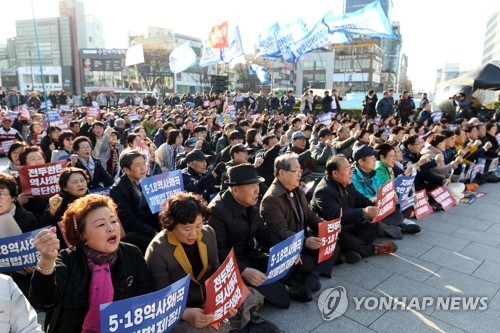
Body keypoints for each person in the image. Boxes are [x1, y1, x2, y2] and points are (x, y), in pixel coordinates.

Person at [146, 192, 278, 332]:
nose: (194, 234)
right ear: (171, 225)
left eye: (198, 226)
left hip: (209, 298)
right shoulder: (157, 250)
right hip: (182, 306)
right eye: (187, 229)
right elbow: (161, 299)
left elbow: (216, 272)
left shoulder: (208, 233)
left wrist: (226, 299)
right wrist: (186, 313)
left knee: (246, 294)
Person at [30, 194, 153, 332]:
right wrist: (47, 260)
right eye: (101, 224)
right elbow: (43, 302)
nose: (111, 228)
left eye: (113, 221)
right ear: (82, 235)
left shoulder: (132, 253)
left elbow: (147, 298)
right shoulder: (68, 259)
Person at [209, 164, 302, 308]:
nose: (257, 190)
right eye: (252, 186)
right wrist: (243, 270)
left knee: (289, 262)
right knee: (268, 288)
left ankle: (278, 284)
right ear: (235, 190)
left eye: (257, 185)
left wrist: (285, 250)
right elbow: (217, 250)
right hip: (230, 265)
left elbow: (263, 232)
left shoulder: (251, 202)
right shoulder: (216, 211)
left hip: (250, 255)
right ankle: (283, 289)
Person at [260, 154, 336, 290]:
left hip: (303, 239)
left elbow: (309, 214)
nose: (300, 174)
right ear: (282, 173)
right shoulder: (271, 199)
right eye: (296, 171)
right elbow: (280, 232)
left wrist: (325, 226)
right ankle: (312, 272)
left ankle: (312, 275)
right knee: (306, 262)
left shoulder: (297, 189)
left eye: (300, 170)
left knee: (333, 243)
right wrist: (305, 241)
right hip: (288, 246)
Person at [311, 156, 398, 263]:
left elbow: (362, 200)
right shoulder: (323, 191)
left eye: (350, 168)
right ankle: (372, 249)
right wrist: (363, 212)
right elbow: (335, 215)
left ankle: (352, 251)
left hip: (350, 224)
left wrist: (383, 199)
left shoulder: (347, 182)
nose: (351, 172)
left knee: (375, 226)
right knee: (346, 240)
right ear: (335, 173)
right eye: (347, 168)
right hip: (335, 230)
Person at [352, 145, 420, 238]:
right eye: (372, 158)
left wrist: (392, 195)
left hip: (380, 209)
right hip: (367, 212)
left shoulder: (373, 175)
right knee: (373, 224)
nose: (375, 160)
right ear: (361, 162)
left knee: (398, 215)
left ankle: (389, 228)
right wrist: (377, 199)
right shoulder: (353, 178)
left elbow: (384, 190)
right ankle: (398, 230)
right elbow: (360, 198)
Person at [110, 149, 159, 253]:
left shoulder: (149, 181)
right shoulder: (118, 190)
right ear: (127, 170)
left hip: (153, 225)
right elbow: (129, 220)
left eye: (144, 164)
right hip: (136, 231)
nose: (143, 168)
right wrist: (154, 232)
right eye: (138, 165)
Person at [40, 167, 90, 247]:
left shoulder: (93, 199)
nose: (80, 184)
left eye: (82, 180)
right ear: (64, 187)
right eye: (74, 182)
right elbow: (45, 227)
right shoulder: (57, 202)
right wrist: (52, 212)